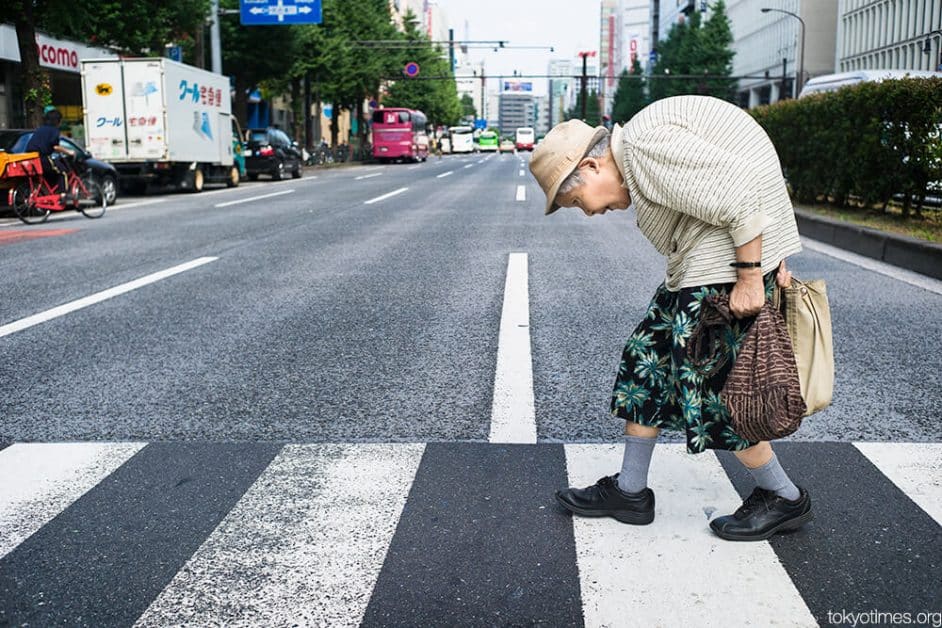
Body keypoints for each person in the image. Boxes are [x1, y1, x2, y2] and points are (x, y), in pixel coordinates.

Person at [529, 95, 812, 542]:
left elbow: (738, 188)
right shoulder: (641, 151)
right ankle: (630, 492)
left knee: (716, 389)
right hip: (706, 261)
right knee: (647, 365)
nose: (589, 213)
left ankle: (783, 497)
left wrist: (751, 275)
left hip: (722, 267)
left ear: (591, 166)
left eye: (577, 201)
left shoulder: (643, 147)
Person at [26, 108, 74, 195]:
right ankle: (63, 195)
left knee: (48, 174)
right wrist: (69, 152)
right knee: (63, 172)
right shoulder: (54, 130)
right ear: (58, 121)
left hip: (30, 158)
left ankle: (49, 193)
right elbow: (55, 147)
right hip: (42, 157)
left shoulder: (40, 129)